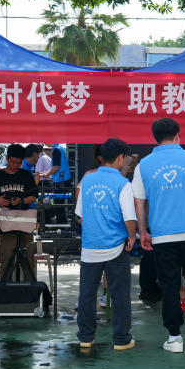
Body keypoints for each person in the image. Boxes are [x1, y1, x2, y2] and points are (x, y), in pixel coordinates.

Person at [133, 117, 185, 353]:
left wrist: (143, 231)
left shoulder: (143, 165)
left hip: (162, 236)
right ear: (178, 135)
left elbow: (138, 202)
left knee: (169, 287)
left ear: (155, 138)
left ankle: (174, 338)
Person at [75, 138, 137, 351]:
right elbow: (129, 217)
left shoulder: (87, 180)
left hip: (90, 246)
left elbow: (81, 216)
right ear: (121, 158)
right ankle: (121, 339)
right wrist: (132, 236)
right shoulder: (123, 183)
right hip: (116, 246)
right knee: (119, 295)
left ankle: (85, 337)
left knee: (87, 294)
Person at [0, 144, 39, 281]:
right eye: (13, 162)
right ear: (7, 158)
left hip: (26, 223)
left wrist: (21, 200)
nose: (16, 165)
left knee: (28, 259)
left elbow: (33, 197)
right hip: (6, 225)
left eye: (19, 163)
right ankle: (5, 289)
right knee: (6, 259)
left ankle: (29, 289)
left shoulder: (26, 175)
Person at [40, 143, 72, 224]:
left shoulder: (56, 149)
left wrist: (46, 174)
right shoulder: (60, 147)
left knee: (59, 207)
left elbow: (56, 167)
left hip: (60, 181)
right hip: (63, 179)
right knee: (60, 206)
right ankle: (62, 226)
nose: (45, 143)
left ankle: (61, 226)